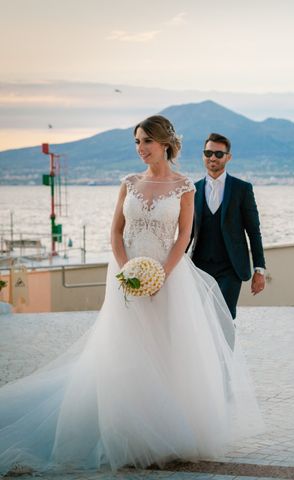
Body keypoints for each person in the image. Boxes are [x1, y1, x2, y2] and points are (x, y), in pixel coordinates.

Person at [0, 115, 263, 475]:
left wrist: (160, 276)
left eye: (146, 143)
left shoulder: (186, 187)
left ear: (164, 144)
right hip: (125, 276)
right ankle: (123, 427)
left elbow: (183, 237)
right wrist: (128, 272)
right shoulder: (128, 183)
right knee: (124, 348)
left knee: (164, 349)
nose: (140, 149)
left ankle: (165, 428)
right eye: (137, 142)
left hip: (168, 278)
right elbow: (115, 233)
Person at [189, 133, 266, 319]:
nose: (212, 158)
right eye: (208, 153)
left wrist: (259, 270)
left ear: (228, 157)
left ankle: (226, 350)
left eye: (218, 154)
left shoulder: (242, 189)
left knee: (224, 317)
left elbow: (254, 232)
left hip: (230, 267)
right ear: (203, 155)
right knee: (199, 318)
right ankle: (205, 350)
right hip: (199, 266)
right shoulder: (192, 189)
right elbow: (187, 232)